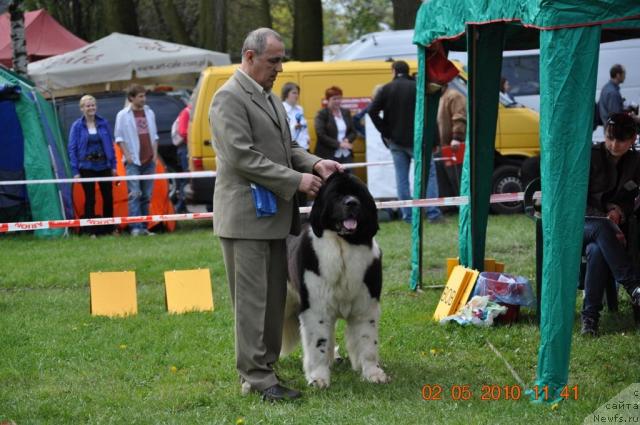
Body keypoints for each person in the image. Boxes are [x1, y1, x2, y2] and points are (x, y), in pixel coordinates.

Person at [209, 27, 343, 402]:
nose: (280, 68)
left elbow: (288, 147)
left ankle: (264, 366)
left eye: (281, 59)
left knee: (271, 300)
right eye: (273, 60)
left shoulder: (268, 98)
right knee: (251, 301)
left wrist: (316, 164)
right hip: (245, 219)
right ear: (249, 58)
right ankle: (255, 377)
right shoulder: (228, 98)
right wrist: (296, 180)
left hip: (272, 218)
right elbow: (241, 156)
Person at [581, 112, 640, 336]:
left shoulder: (635, 161)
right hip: (581, 225)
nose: (614, 144)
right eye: (609, 138)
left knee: (597, 251)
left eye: (621, 140)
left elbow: (633, 197)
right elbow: (576, 200)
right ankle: (633, 286)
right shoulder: (591, 156)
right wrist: (605, 215)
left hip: (607, 234)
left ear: (633, 139)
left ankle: (590, 319)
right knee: (601, 228)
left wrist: (619, 210)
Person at [369, 60, 442, 223]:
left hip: (395, 141)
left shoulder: (386, 89)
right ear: (408, 71)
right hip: (420, 140)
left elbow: (372, 111)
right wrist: (434, 140)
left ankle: (408, 216)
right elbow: (431, 115)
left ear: (393, 71)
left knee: (401, 178)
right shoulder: (418, 87)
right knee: (428, 175)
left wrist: (385, 131)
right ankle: (433, 213)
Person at [68, 94, 117, 235]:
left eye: (93, 105)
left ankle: (110, 228)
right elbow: (72, 149)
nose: (91, 108)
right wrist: (75, 171)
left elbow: (111, 146)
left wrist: (113, 166)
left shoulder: (104, 123)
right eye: (88, 105)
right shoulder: (76, 126)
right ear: (82, 108)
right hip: (86, 166)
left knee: (108, 197)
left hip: (104, 165)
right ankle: (90, 231)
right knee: (90, 199)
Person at [114, 84, 159, 236]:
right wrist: (127, 156)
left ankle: (145, 227)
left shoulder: (149, 112)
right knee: (135, 194)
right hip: (133, 161)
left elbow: (155, 136)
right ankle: (135, 227)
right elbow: (119, 138)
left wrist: (155, 155)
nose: (143, 99)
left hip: (149, 161)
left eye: (144, 96)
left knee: (146, 195)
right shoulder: (122, 115)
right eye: (140, 96)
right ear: (131, 98)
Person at [314, 86, 357, 166]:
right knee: (332, 178)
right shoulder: (322, 114)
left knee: (349, 177)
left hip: (346, 154)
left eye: (339, 98)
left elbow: (353, 132)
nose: (337, 101)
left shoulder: (346, 112)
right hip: (328, 155)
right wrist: (339, 144)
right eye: (334, 99)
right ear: (327, 100)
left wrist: (347, 140)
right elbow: (321, 134)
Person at [281, 82, 310, 151]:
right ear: (286, 93)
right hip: (290, 147)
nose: (297, 95)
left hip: (303, 146)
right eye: (294, 93)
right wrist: (294, 127)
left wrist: (307, 137)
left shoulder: (299, 109)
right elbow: (281, 130)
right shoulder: (281, 108)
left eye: (298, 93)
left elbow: (304, 126)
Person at [174, 103, 191, 213]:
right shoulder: (187, 112)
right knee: (186, 178)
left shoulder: (189, 111)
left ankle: (181, 206)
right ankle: (180, 206)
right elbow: (183, 132)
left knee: (187, 178)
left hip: (187, 148)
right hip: (185, 149)